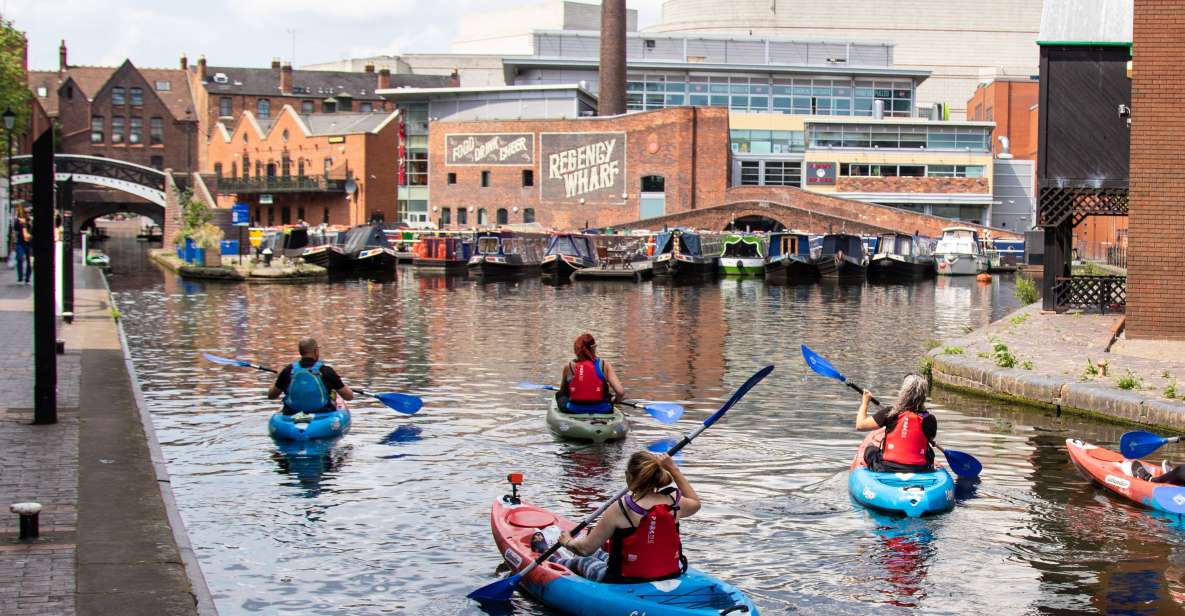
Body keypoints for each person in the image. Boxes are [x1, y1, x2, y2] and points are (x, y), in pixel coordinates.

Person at [533, 451, 701, 583]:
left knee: (582, 561)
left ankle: (549, 556)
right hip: (668, 573)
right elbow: (695, 502)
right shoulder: (674, 502)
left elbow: (585, 549)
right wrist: (674, 469)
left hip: (624, 580)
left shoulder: (621, 508)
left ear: (629, 476)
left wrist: (567, 541)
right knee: (601, 553)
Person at [855, 374, 937, 472]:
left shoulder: (890, 413)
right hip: (919, 468)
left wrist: (865, 402)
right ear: (923, 395)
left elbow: (860, 425)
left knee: (870, 449)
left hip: (886, 467)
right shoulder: (930, 419)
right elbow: (928, 439)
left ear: (904, 393)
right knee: (929, 451)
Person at [267, 337, 353, 414]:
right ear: (316, 351)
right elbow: (349, 396)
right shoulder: (326, 371)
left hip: (292, 413)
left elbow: (271, 395)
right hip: (321, 414)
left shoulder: (288, 370)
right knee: (333, 397)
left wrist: (279, 378)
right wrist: (338, 382)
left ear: (301, 352)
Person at [556, 333, 625, 414]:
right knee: (608, 396)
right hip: (603, 410)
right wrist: (615, 400)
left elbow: (563, 391)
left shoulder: (569, 366)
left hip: (575, 410)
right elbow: (620, 392)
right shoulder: (604, 365)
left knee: (560, 395)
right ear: (594, 348)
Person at [10, 205, 32, 285]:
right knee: (20, 259)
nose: (27, 214)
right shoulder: (18, 221)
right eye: (25, 213)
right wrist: (12, 245)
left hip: (29, 244)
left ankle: (27, 279)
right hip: (20, 243)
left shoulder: (30, 221)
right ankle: (20, 278)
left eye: (28, 213)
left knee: (29, 262)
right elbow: (14, 233)